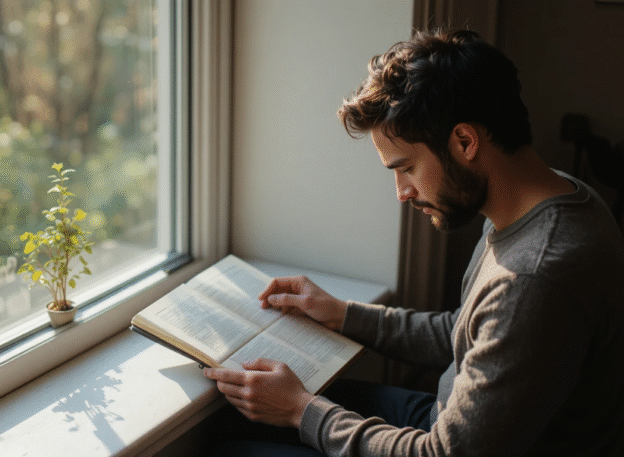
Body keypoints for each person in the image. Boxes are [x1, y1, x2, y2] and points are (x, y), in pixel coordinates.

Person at [203, 28, 624, 456]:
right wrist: (342, 314)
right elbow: (465, 332)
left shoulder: (535, 275)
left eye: (406, 168)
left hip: (444, 444)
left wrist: (299, 410)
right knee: (228, 422)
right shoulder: (554, 197)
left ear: (464, 141)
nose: (402, 192)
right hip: (449, 420)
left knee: (232, 450)